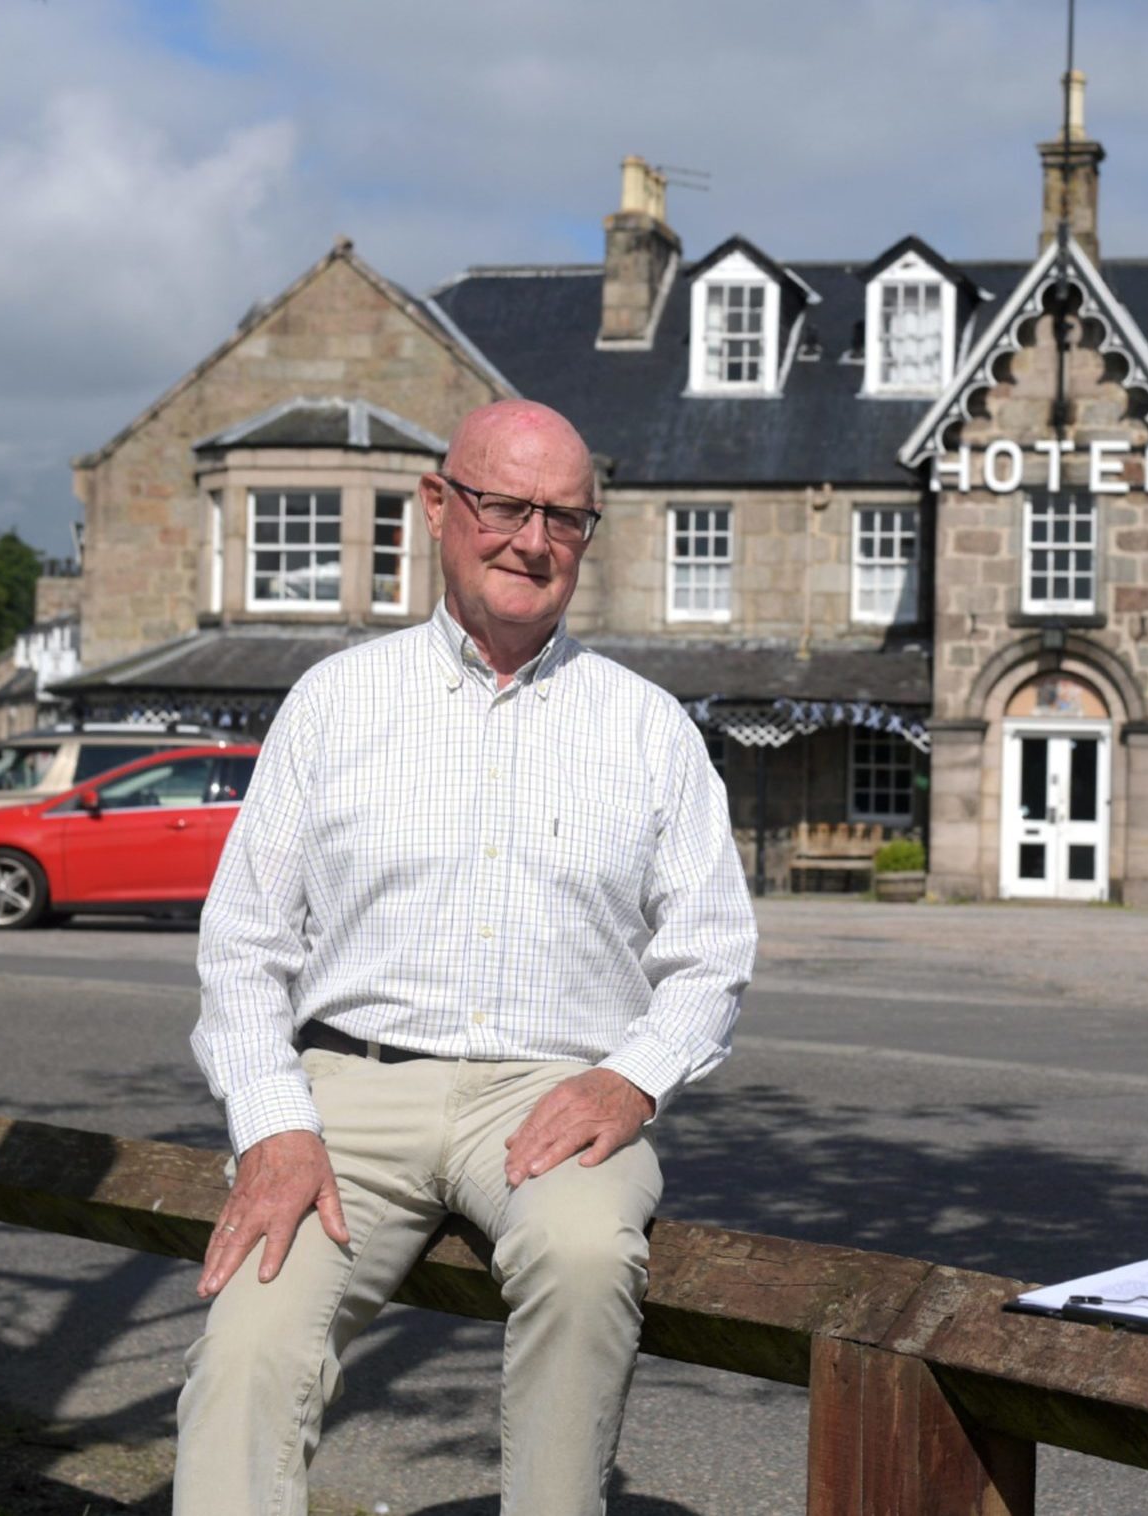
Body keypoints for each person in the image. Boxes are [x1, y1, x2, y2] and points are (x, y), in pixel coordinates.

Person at [177, 399, 757, 1516]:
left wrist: (631, 1076)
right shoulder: (336, 701)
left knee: (587, 1260)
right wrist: (272, 1123)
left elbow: (712, 953)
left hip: (554, 1096)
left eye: (564, 518)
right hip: (345, 1094)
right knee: (249, 1340)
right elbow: (243, 944)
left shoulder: (647, 729)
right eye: (502, 505)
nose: (531, 541)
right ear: (439, 507)